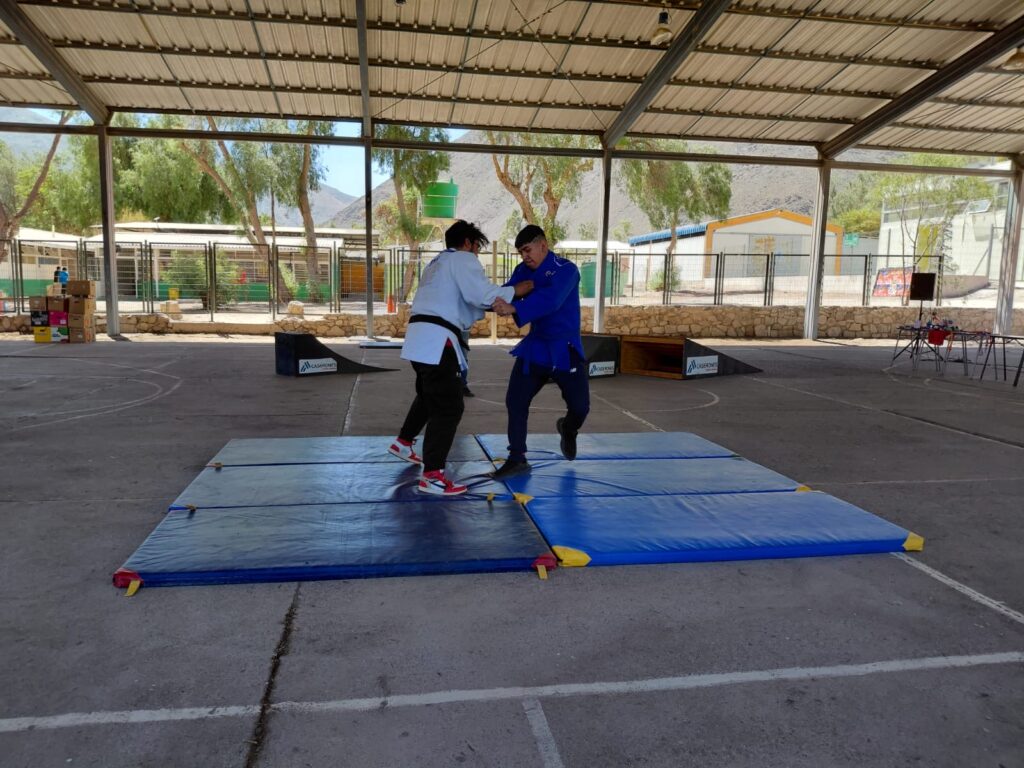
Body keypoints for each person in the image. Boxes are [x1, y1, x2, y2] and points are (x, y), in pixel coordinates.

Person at [389, 220, 534, 495]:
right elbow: (480, 295)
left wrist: (498, 300)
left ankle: (403, 442)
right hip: (438, 339)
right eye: (477, 247)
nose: (477, 253)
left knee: (429, 395)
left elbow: (468, 300)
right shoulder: (463, 259)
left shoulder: (436, 264)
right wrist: (517, 290)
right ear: (468, 242)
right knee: (449, 406)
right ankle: (432, 476)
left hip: (419, 338)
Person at [490, 224, 589, 479]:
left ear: (543, 245)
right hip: (535, 348)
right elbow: (507, 292)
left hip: (565, 349)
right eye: (521, 252)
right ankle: (517, 458)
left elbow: (552, 300)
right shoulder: (522, 271)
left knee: (580, 408)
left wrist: (515, 308)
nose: (524, 256)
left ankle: (568, 428)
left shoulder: (566, 269)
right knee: (515, 400)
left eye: (527, 250)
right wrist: (489, 300)